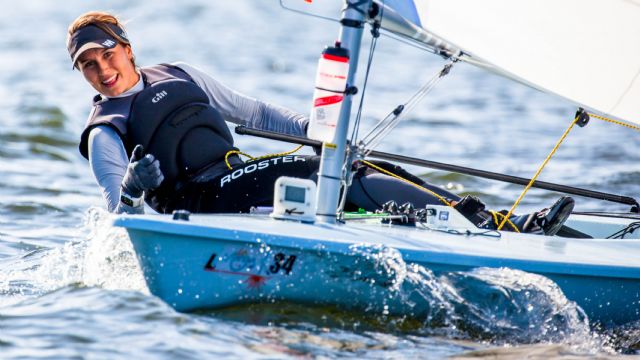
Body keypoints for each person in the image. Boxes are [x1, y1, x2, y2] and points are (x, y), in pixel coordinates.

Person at [67, 11, 574, 235]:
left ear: (126, 49)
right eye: (87, 65)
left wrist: (321, 133)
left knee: (342, 163)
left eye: (105, 54)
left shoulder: (179, 74)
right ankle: (488, 227)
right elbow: (121, 213)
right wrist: (134, 190)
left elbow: (259, 115)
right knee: (324, 176)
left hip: (240, 178)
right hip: (202, 206)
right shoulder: (106, 130)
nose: (101, 70)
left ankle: (489, 221)